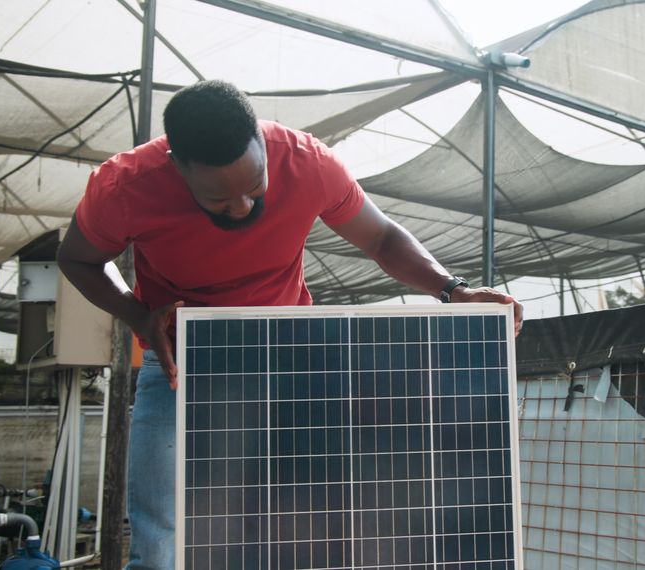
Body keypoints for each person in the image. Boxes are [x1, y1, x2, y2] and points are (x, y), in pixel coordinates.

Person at [56, 79, 521, 569]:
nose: (242, 207)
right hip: (182, 361)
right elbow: (79, 259)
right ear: (178, 166)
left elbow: (382, 238)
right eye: (219, 198)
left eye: (255, 188)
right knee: (160, 538)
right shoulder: (124, 186)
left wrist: (452, 289)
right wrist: (136, 315)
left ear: (262, 142)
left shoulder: (307, 163)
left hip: (290, 358)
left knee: (296, 523)